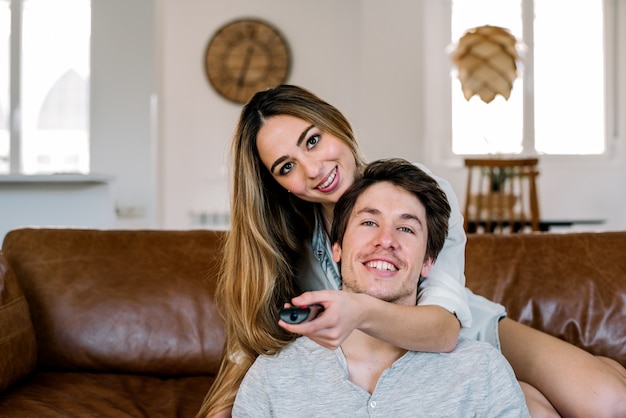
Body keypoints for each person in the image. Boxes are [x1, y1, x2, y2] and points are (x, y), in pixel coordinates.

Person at [197, 85, 626, 418]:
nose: (312, 169)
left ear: (335, 124)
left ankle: (602, 371)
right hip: (396, 361)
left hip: (463, 329)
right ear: (277, 183)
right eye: (286, 166)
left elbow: (443, 331)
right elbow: (252, 336)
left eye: (312, 141)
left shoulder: (415, 190)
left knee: (608, 402)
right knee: (531, 407)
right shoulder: (287, 235)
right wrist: (227, 399)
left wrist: (357, 310)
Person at [232, 158, 531, 417]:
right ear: (336, 247)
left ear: (428, 261)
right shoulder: (273, 376)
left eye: (406, 228)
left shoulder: (481, 372)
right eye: (369, 223)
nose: (386, 240)